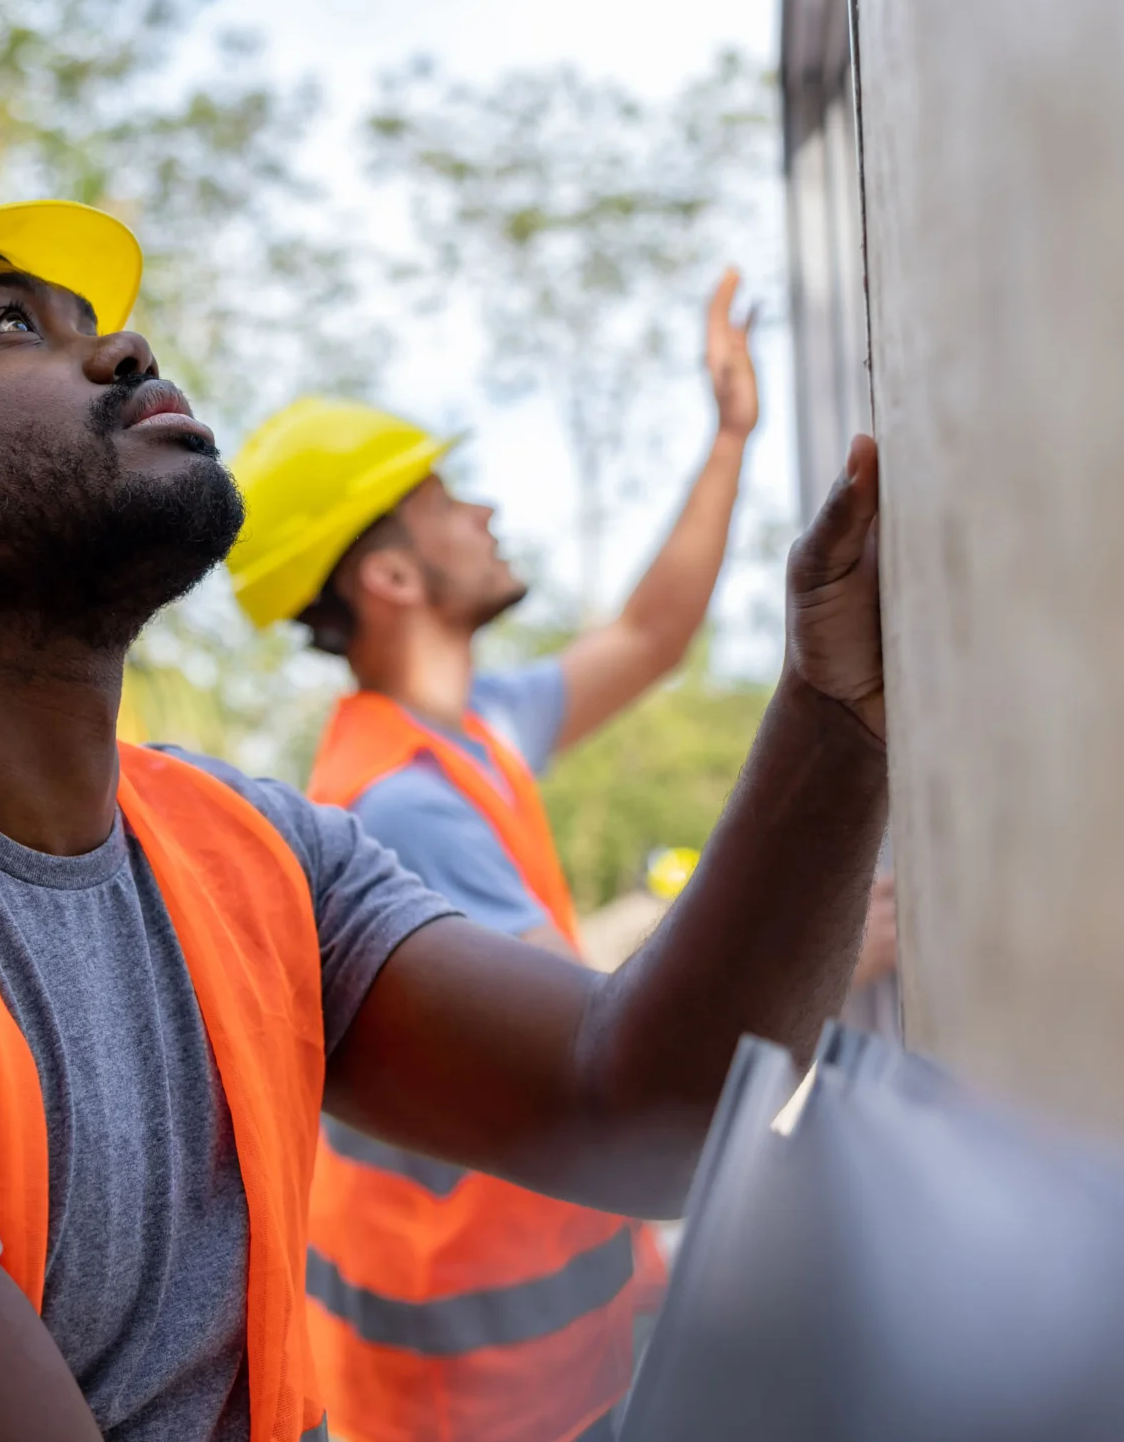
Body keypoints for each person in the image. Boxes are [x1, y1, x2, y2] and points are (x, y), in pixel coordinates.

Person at [0, 202, 889, 1442]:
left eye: (93, 322)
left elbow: (635, 1107)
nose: (124, 347)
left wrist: (841, 719)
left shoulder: (248, 853)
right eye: (8, 325)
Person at [225, 272, 763, 1442]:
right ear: (393, 578)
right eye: (447, 500)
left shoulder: (464, 735)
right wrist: (804, 934)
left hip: (544, 1351)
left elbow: (649, 634)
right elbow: (612, 1047)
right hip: (482, 1393)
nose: (485, 513)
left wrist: (728, 437)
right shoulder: (404, 803)